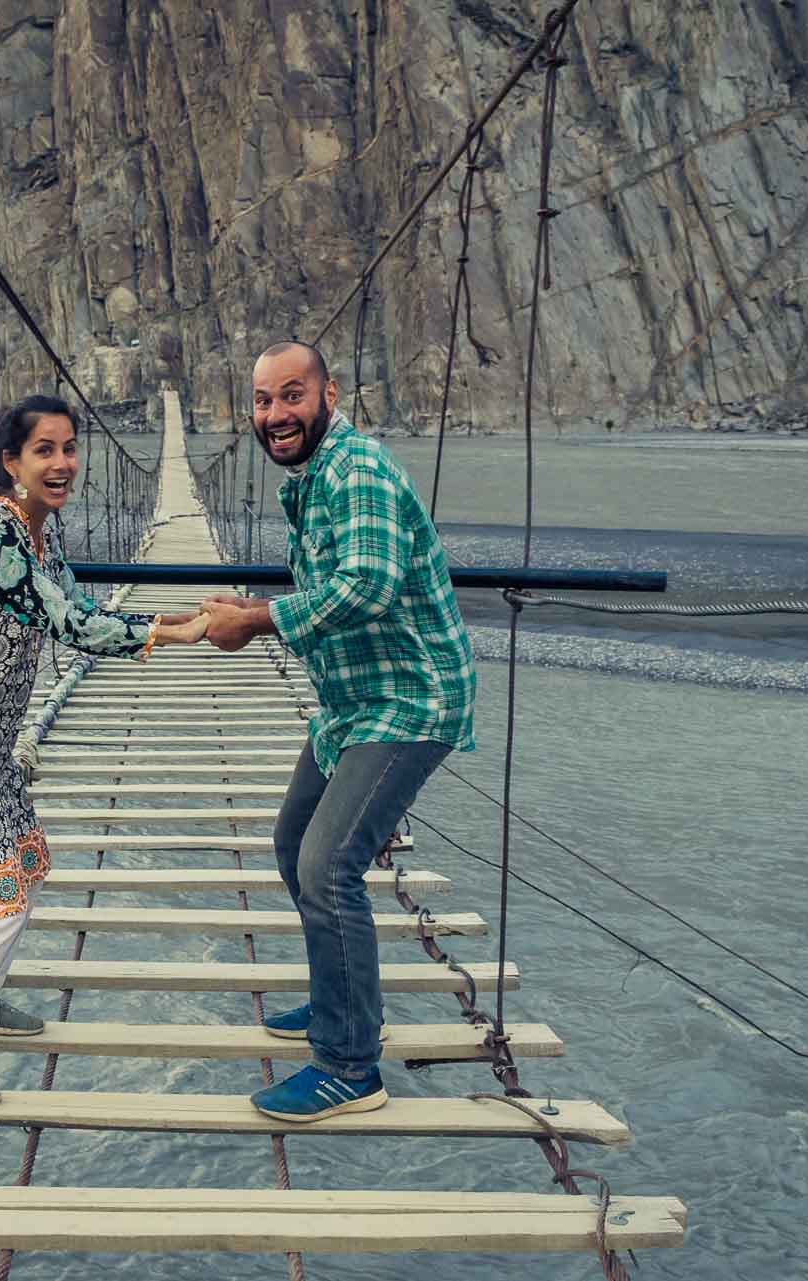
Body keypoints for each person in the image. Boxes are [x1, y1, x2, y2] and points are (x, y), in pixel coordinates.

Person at [0, 394, 209, 1111]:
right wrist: (186, 635)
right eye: (45, 449)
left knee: (26, 865)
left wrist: (183, 616)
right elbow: (72, 625)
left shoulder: (37, 535)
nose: (64, 463)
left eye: (70, 447)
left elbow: (90, 612)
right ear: (10, 462)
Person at [200, 341, 476, 1122]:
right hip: (354, 703)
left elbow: (370, 584)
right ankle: (336, 1001)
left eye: (292, 396)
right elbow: (335, 584)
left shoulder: (357, 471)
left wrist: (254, 620)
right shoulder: (313, 480)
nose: (275, 415)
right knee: (294, 843)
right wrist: (244, 608)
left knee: (327, 864)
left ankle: (350, 1064)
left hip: (411, 698)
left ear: (329, 394)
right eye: (261, 401)